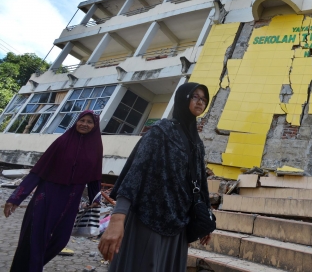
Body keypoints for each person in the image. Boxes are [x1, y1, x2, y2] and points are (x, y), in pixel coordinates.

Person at [99, 82, 212, 272]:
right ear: (183, 99)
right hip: (149, 217)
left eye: (204, 99)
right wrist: (118, 218)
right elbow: (136, 171)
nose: (200, 102)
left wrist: (205, 215)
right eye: (195, 97)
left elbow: (199, 182)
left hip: (178, 222)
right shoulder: (162, 131)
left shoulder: (196, 143)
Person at [4, 110, 103, 272]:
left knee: (60, 240)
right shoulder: (61, 142)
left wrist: (96, 199)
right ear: (76, 121)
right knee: (34, 239)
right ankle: (31, 268)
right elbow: (38, 171)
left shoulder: (96, 147)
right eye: (82, 120)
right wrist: (16, 198)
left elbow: (95, 175)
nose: (84, 124)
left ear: (95, 126)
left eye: (89, 122)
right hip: (46, 197)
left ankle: (29, 266)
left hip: (71, 202)